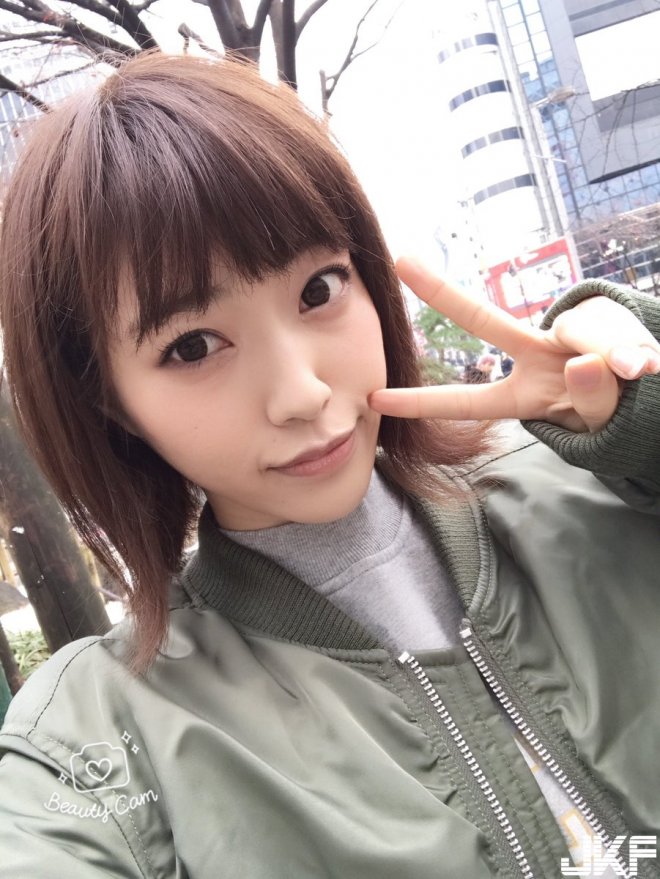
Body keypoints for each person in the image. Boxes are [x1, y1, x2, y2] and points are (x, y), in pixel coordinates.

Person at [0, 52, 659, 879]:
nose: (303, 393)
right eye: (193, 345)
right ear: (110, 402)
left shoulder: (601, 485)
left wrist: (648, 414)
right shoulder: (104, 729)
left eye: (319, 290)